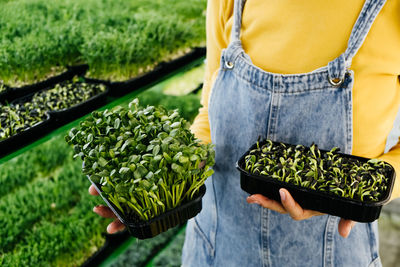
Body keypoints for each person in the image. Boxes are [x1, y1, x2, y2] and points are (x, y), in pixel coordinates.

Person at [91, 0, 400, 266]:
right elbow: (209, 113)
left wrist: (358, 194)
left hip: (331, 252)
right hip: (213, 246)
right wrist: (165, 185)